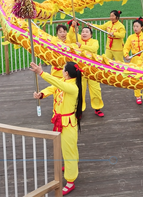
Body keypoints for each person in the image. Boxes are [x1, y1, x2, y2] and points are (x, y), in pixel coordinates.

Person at [30, 61, 83, 196]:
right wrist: (41, 94)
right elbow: (53, 87)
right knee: (67, 148)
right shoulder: (64, 81)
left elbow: (58, 84)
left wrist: (41, 72)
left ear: (66, 73)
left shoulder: (72, 87)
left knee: (69, 150)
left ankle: (70, 181)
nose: (61, 70)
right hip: (60, 121)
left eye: (63, 69)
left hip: (68, 123)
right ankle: (73, 166)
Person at [67, 21, 105, 117]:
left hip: (93, 69)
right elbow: (71, 35)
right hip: (80, 69)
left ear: (91, 35)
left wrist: (81, 46)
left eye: (87, 32)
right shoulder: (77, 39)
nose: (84, 33)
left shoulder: (94, 41)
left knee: (96, 90)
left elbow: (93, 49)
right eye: (83, 31)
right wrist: (73, 26)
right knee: (80, 89)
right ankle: (80, 109)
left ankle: (97, 108)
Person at [123, 17, 143, 105]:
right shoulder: (130, 37)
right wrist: (126, 55)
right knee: (136, 78)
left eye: (137, 26)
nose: (135, 28)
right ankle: (138, 96)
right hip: (135, 59)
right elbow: (126, 47)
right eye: (134, 26)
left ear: (141, 27)